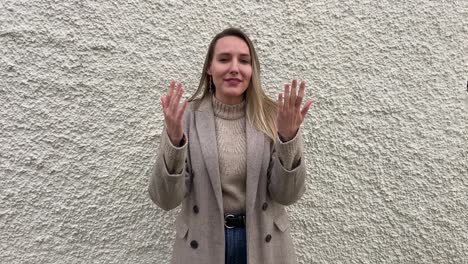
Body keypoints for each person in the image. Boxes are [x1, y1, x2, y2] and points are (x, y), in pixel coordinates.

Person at [148, 27, 312, 264]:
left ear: (252, 69)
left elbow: (286, 195)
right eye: (224, 59)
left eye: (244, 61)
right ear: (209, 68)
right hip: (203, 244)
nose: (234, 67)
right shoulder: (186, 117)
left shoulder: (272, 116)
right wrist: (174, 142)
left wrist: (288, 138)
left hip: (263, 245)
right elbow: (165, 199)